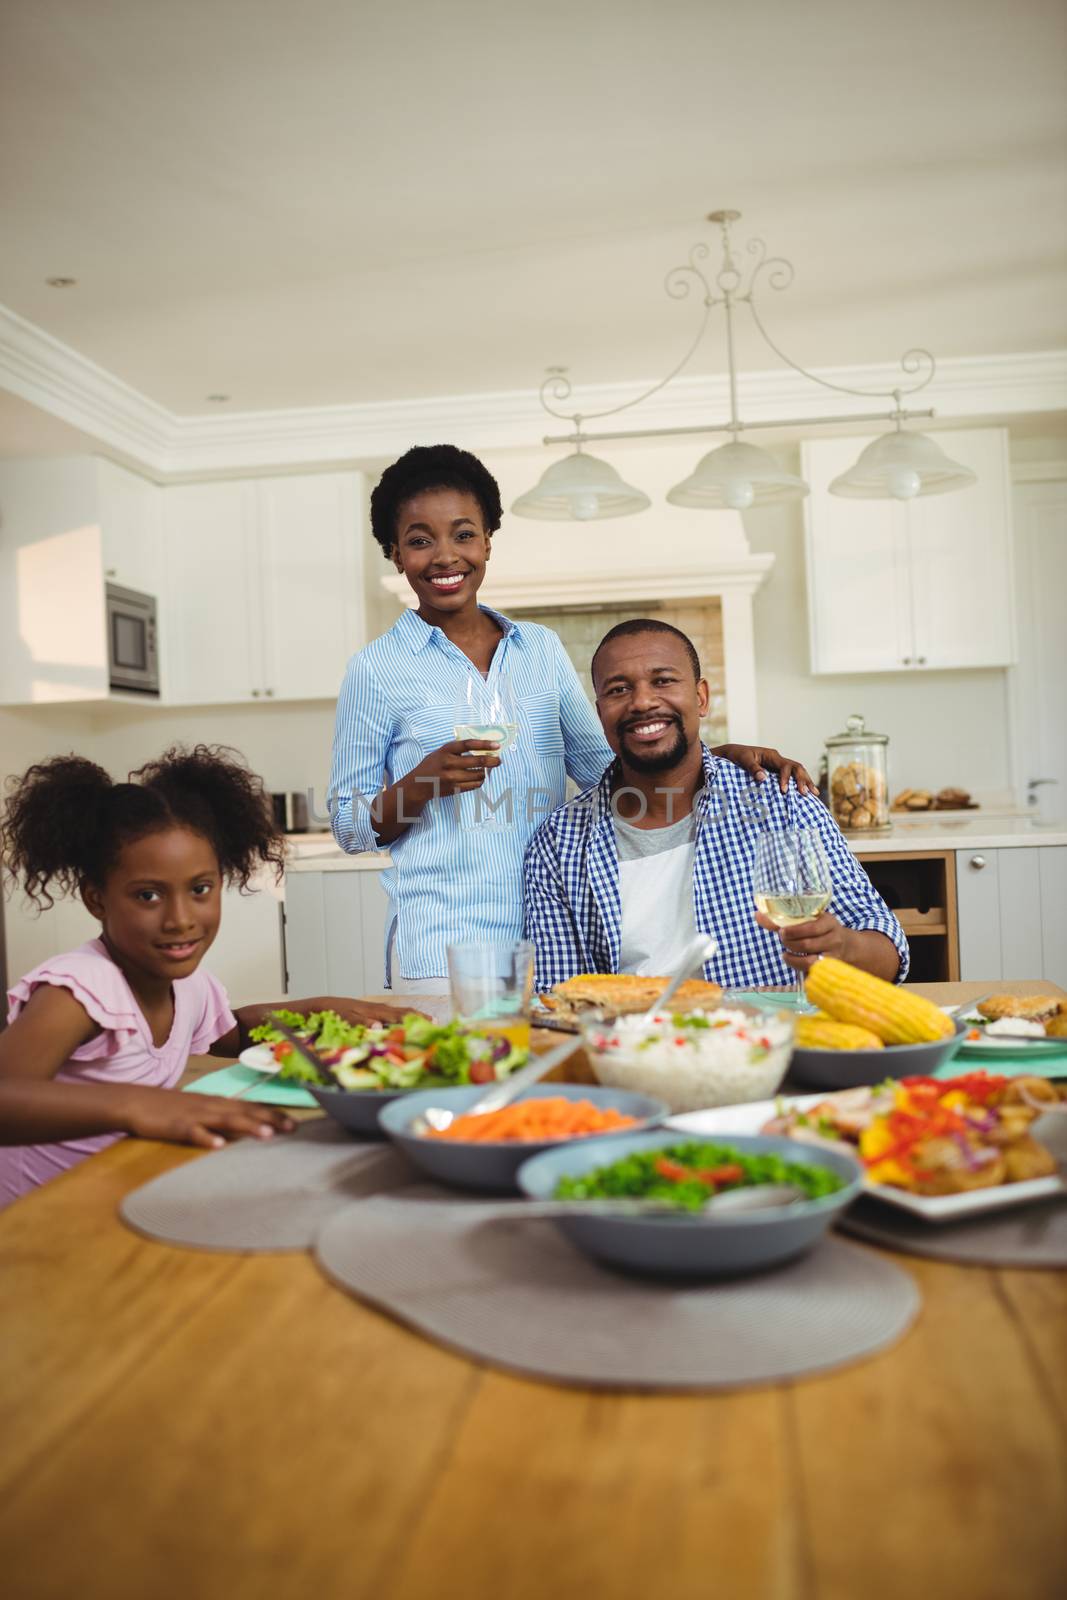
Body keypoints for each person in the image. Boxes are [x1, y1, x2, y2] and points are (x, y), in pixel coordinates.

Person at [329, 444, 814, 993]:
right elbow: (348, 825)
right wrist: (423, 783)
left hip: (561, 938)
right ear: (395, 554)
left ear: (488, 541)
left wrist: (716, 754)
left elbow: (610, 769)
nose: (446, 556)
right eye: (420, 541)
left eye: (464, 534)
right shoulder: (375, 669)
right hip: (445, 949)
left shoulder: (539, 650)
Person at [0, 746, 410, 1208]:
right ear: (97, 899)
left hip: (115, 1187)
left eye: (199, 890)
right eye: (148, 895)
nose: (180, 919)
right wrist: (134, 1104)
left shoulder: (186, 983)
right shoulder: (78, 990)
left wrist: (314, 1010)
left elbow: (230, 1035)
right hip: (35, 1218)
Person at [523, 619, 908, 991]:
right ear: (600, 712)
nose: (642, 701)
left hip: (777, 1042)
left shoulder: (782, 800)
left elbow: (889, 949)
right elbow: (558, 996)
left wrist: (843, 946)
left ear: (701, 697)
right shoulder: (558, 844)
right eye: (619, 690)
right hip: (636, 1047)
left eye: (663, 681)